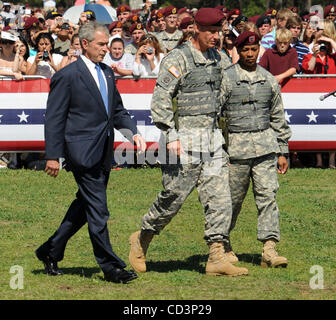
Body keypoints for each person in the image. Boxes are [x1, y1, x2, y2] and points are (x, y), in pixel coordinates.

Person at [128, 8, 248, 277]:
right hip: (181, 143)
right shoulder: (178, 58)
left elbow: (230, 90)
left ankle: (216, 255)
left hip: (212, 142)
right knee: (172, 200)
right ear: (195, 29)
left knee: (220, 198)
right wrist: (171, 136)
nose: (216, 37)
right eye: (211, 32)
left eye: (219, 32)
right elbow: (160, 99)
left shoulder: (220, 58)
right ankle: (142, 238)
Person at [35, 21, 146, 284]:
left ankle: (50, 250)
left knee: (85, 206)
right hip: (80, 153)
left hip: (103, 152)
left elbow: (116, 110)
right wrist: (53, 155)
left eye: (107, 44)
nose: (106, 49)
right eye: (101, 44)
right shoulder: (68, 75)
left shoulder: (107, 72)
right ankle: (111, 267)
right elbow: (54, 119)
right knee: (98, 209)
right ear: (84, 44)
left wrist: (134, 133)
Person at [221, 31, 291, 268]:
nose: (250, 54)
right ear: (238, 51)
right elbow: (216, 116)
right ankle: (222, 244)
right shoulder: (227, 79)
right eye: (245, 50)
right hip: (235, 152)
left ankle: (269, 249)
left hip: (265, 149)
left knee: (268, 198)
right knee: (231, 201)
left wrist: (283, 151)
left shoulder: (269, 79)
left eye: (254, 50)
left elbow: (278, 117)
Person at [302, 32, 336, 169]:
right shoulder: (308, 56)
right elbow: (309, 68)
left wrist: (329, 40)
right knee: (317, 125)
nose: (323, 46)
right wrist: (315, 55)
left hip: (331, 95)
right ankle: (319, 160)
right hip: (315, 95)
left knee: (332, 126)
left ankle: (332, 161)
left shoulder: (332, 58)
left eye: (324, 44)